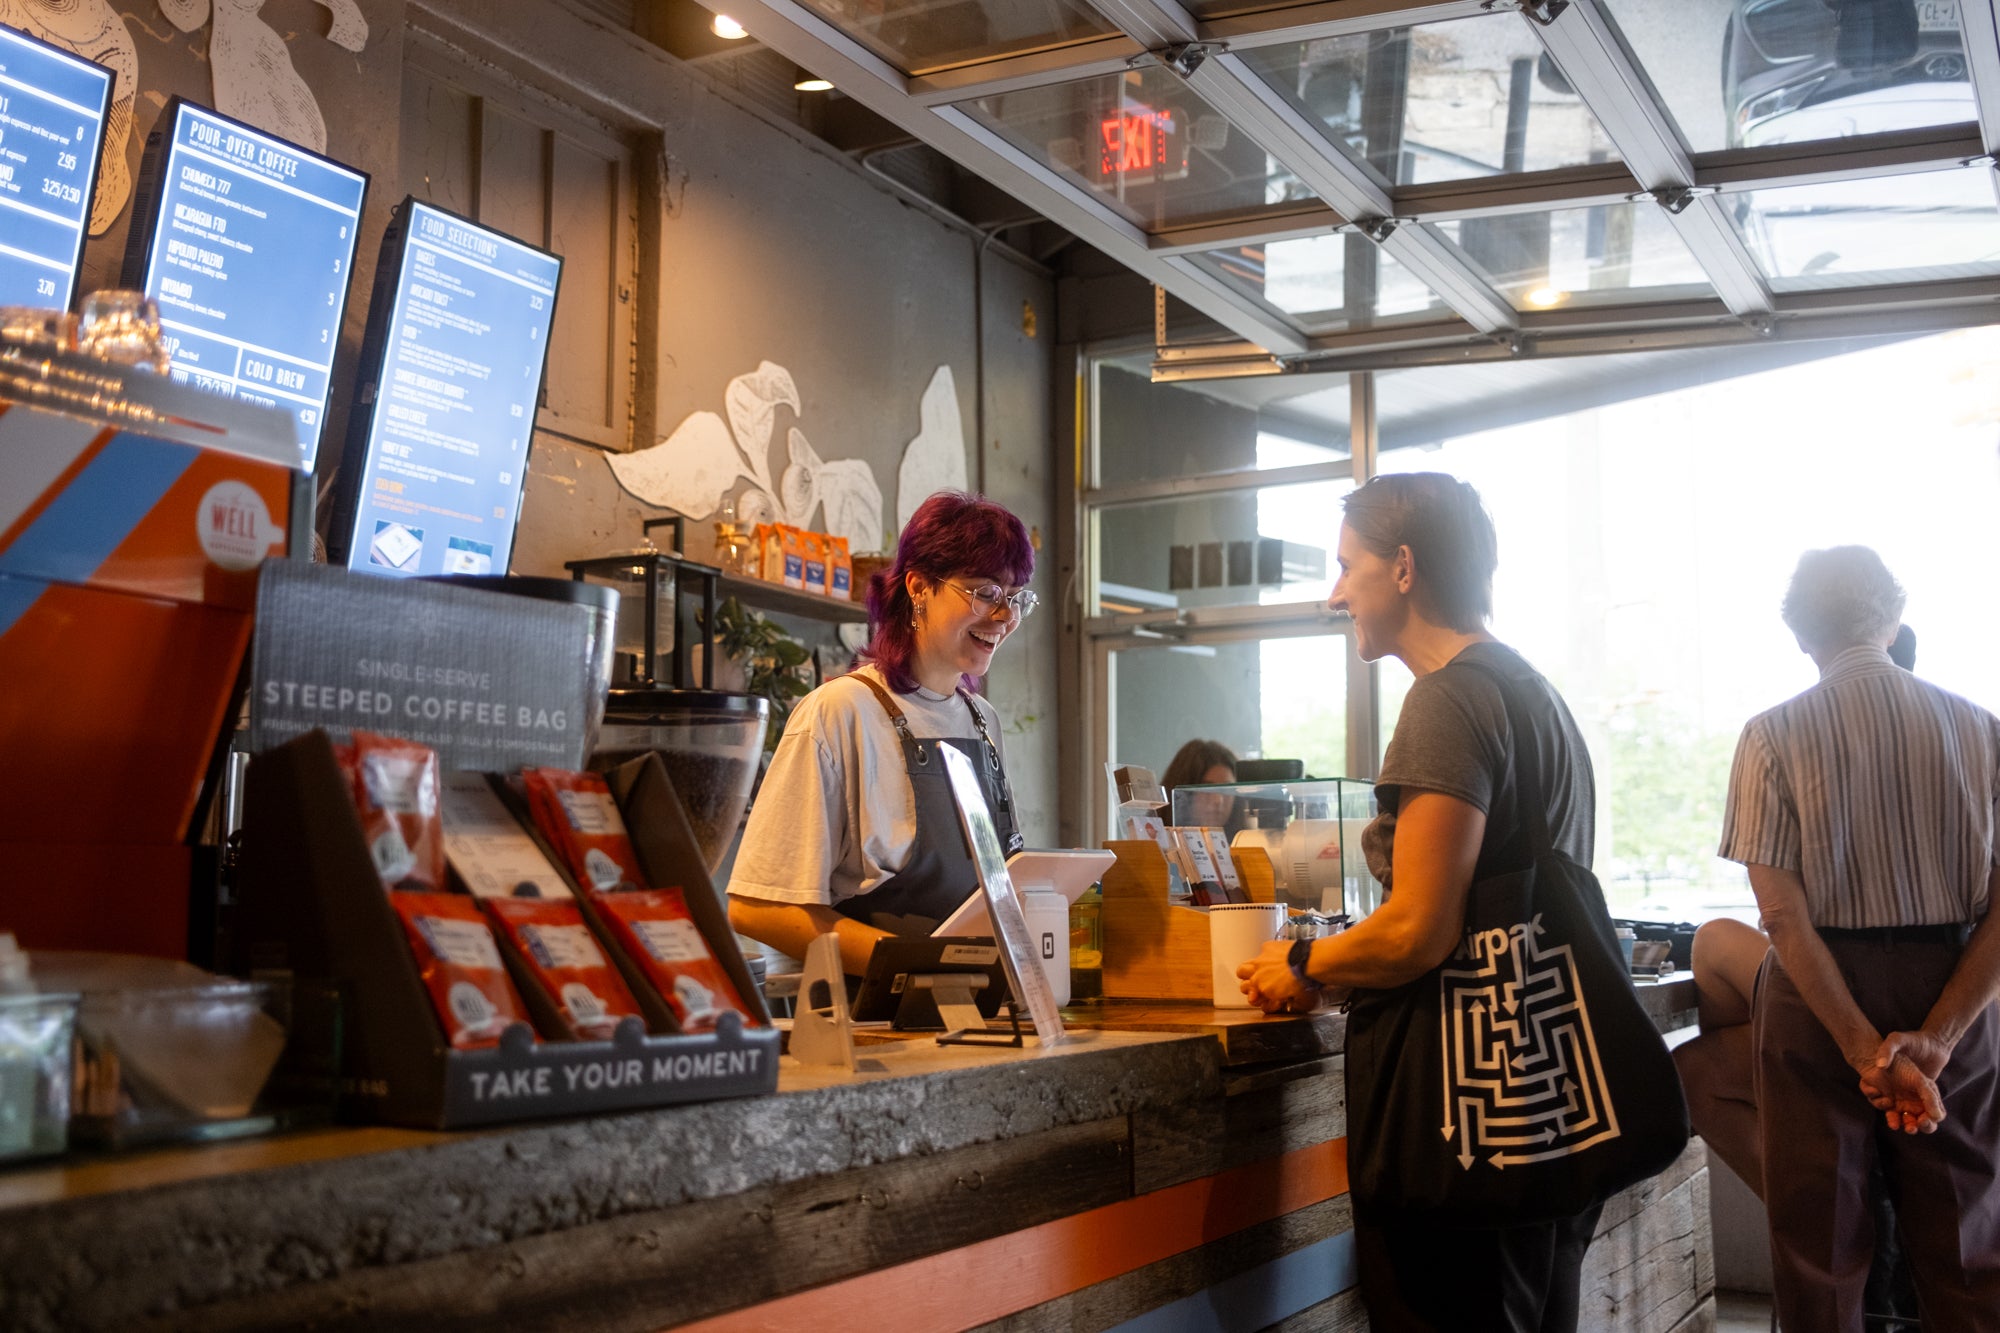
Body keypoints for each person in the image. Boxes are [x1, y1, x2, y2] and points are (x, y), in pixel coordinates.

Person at [1235, 472, 1605, 1331]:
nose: (1335, 593)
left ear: (1403, 567)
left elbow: (1419, 926)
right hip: (1541, 1105)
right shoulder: (1532, 693)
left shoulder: (1447, 699)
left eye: (1346, 566)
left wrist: (1305, 962)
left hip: (1462, 1134)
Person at [1718, 548, 2000, 1330]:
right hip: (1954, 979)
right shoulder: (1982, 729)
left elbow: (1780, 915)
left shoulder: (1771, 735)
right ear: (1893, 618)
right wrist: (1938, 1034)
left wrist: (1861, 1047)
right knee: (1967, 1237)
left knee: (1820, 1242)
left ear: (1801, 636)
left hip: (1816, 994)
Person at [726, 491, 1037, 976]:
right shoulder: (840, 712)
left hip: (967, 1004)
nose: (1004, 617)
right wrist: (905, 964)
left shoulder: (982, 719)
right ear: (918, 587)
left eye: (1015, 598)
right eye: (985, 592)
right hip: (867, 1023)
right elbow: (756, 907)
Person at [1161, 738, 1236, 829]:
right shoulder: (1154, 840)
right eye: (1207, 788)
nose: (1218, 800)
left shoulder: (1247, 839)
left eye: (1226, 789)